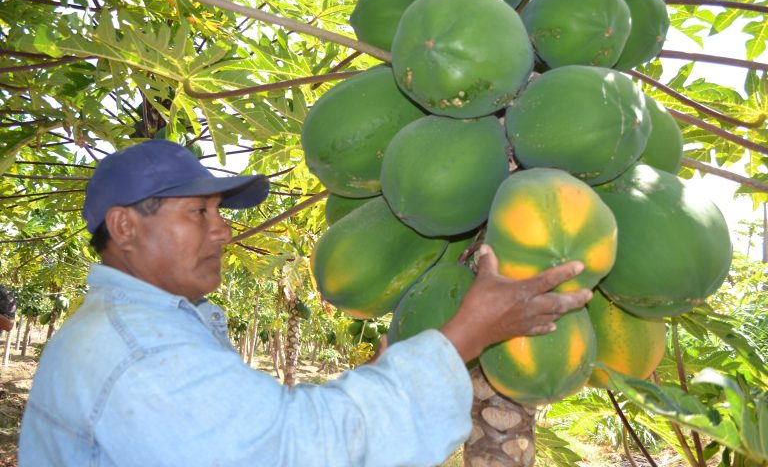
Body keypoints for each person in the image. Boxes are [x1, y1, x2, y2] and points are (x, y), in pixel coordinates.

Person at [19, 139, 591, 466]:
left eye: (220, 213)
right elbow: (293, 451)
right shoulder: (138, 351)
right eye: (199, 213)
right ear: (124, 227)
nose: (222, 232)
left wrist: (368, 383)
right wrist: (470, 331)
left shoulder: (137, 327)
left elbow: (245, 427)